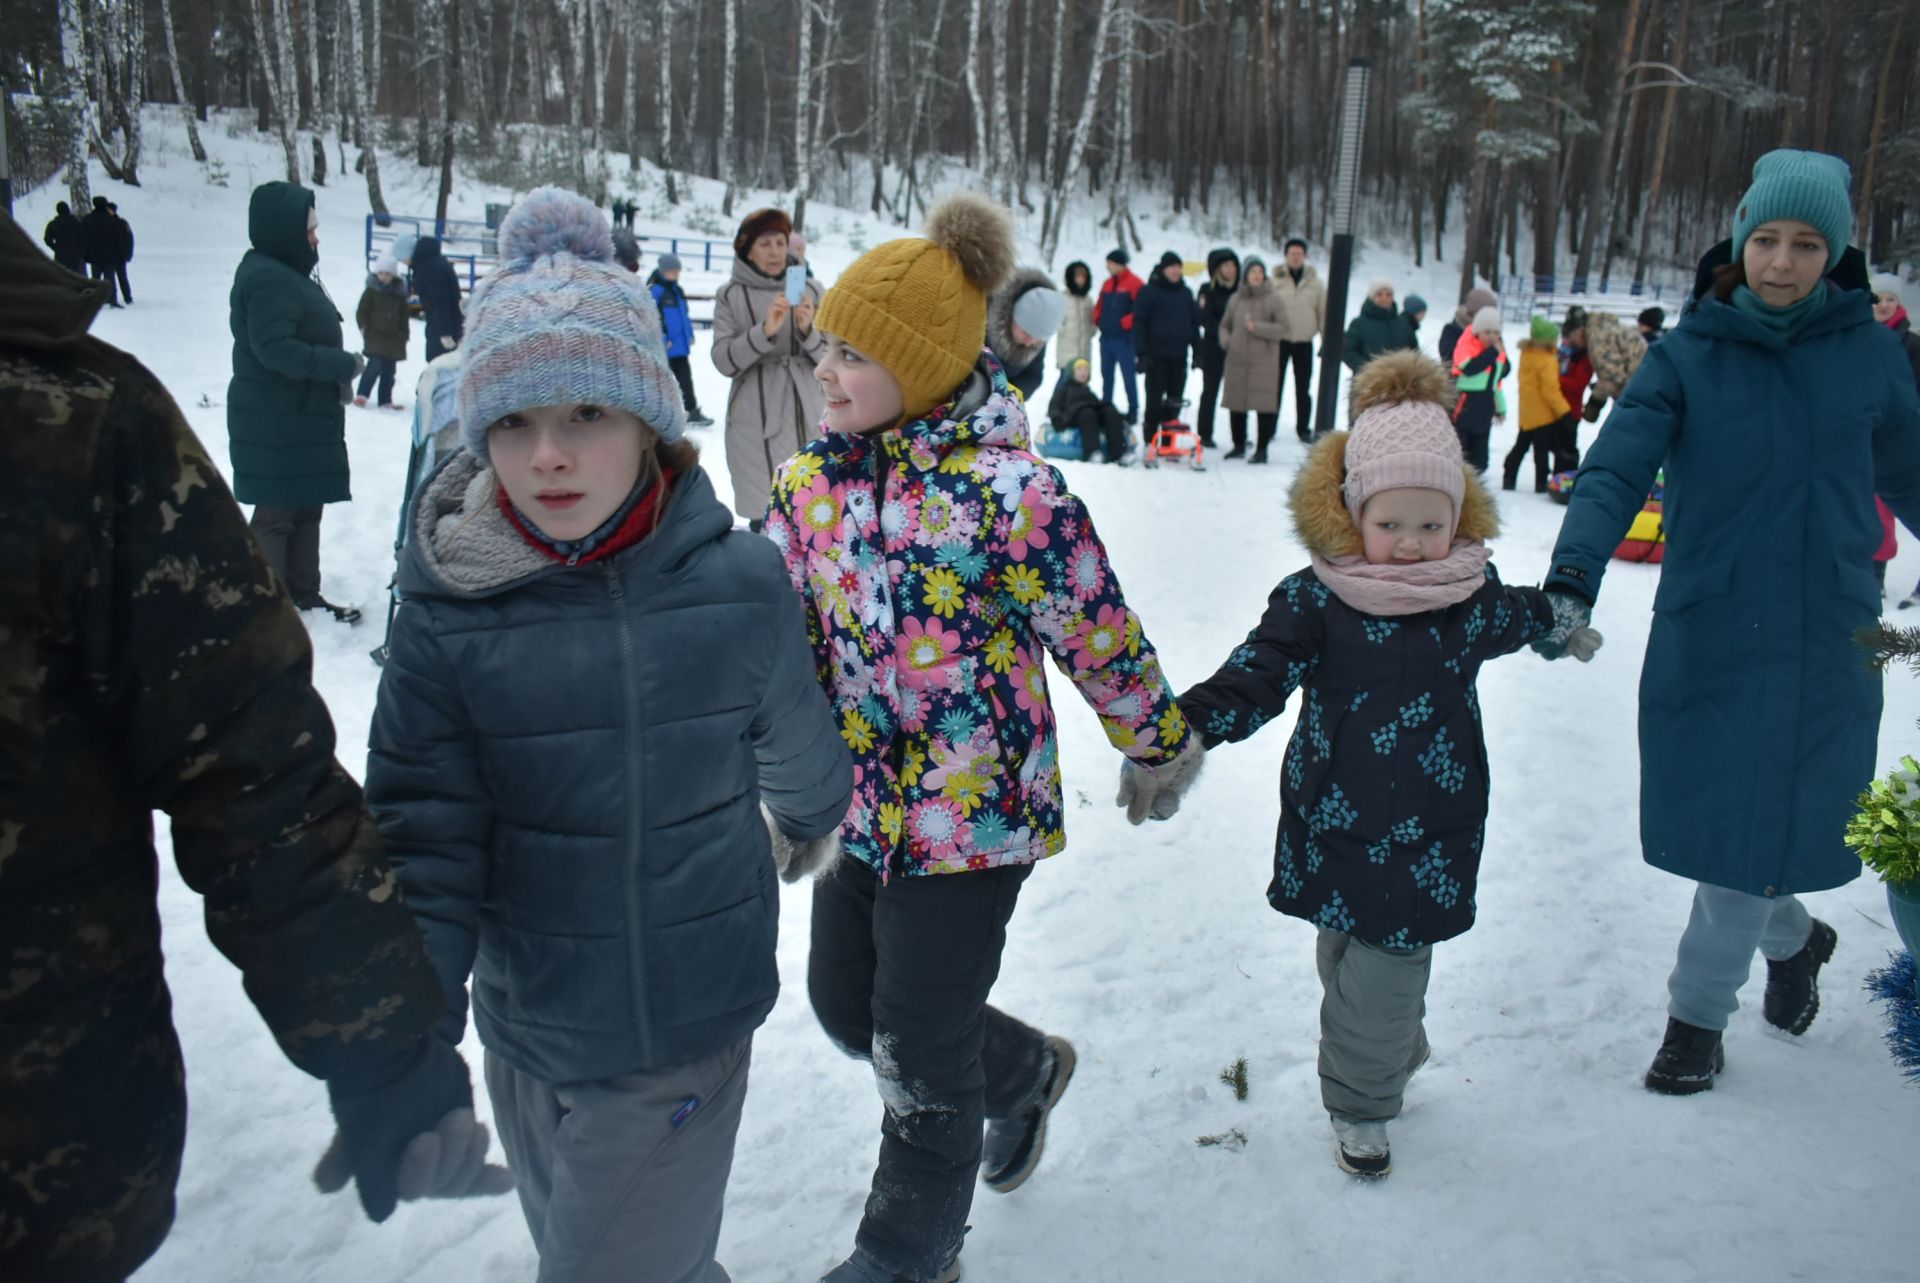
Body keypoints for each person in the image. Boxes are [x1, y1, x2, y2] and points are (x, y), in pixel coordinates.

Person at [0, 209, 508, 1283]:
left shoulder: (66, 421)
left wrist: (385, 1054)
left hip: (32, 1153)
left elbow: (250, 764)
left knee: (291, 525)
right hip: (52, 1142)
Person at [365, 187, 852, 1283]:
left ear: (646, 419)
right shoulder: (451, 611)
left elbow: (798, 743)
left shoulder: (737, 582)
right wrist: (406, 1033)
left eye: (585, 413)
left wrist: (810, 814)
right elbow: (422, 841)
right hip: (526, 1028)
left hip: (683, 1019)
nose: (548, 455)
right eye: (515, 422)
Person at [761, 193, 1201, 1283]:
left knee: (915, 1037)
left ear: (922, 365)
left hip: (974, 819)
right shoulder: (809, 488)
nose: (825, 371)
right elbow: (761, 627)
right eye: (824, 347)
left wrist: (1155, 739)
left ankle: (910, 1252)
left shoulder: (1014, 496)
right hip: (864, 806)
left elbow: (1096, 626)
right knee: (839, 1002)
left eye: (853, 355)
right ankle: (1021, 1072)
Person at [1540, 149, 1920, 1094]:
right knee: (1738, 824)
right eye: (1766, 240)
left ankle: (1694, 1017)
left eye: (1805, 244)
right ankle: (1793, 941)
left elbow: (1912, 470)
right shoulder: (1689, 354)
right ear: (1738, 241)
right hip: (1714, 627)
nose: (1782, 263)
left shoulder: (1869, 355)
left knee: (1770, 821)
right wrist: (1573, 575)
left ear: (1831, 256)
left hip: (1834, 631)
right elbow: (1617, 468)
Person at [1175, 351, 1599, 1179]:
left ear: (1459, 520)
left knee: (1388, 958)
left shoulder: (1469, 597)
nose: (1411, 545)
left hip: (1432, 826)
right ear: (1351, 510)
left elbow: (1521, 616)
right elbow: (1256, 673)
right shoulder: (1315, 598)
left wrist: (1558, 623)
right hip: (1332, 812)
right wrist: (1184, 728)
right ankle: (1392, 1042)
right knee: (1346, 955)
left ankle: (1362, 1105)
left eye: (1431, 524)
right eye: (1391, 522)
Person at [227, 181, 364, 624]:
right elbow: (275, 350)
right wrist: (340, 364)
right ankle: (268, 604)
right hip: (277, 420)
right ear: (283, 230)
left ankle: (304, 595)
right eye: (309, 230)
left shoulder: (282, 272)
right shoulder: (267, 277)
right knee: (278, 512)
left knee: (306, 507)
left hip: (300, 417)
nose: (316, 238)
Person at [711, 207, 826, 525]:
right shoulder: (730, 296)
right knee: (765, 509)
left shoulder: (813, 290)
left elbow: (836, 357)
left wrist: (807, 332)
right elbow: (723, 360)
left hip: (810, 408)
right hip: (755, 416)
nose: (775, 252)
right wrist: (764, 332)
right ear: (746, 250)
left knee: (815, 508)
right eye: (764, 244)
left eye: (780, 242)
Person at [1218, 255, 1289, 462]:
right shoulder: (1235, 299)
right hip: (1237, 359)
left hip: (1263, 362)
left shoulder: (1274, 299)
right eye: (1252, 272)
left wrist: (1258, 328)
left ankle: (1261, 449)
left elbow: (1283, 328)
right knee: (1236, 403)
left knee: (1264, 406)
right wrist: (1227, 341)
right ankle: (1238, 445)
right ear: (1246, 275)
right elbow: (1224, 325)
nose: (1256, 276)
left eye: (1259, 272)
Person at [1133, 250, 1202, 440]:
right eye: (1172, 267)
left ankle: (1168, 441)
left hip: (1179, 357)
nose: (1175, 270)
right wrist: (1141, 353)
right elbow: (1139, 323)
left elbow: (1194, 324)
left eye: (1178, 267)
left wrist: (1198, 351)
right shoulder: (1149, 291)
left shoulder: (1186, 293)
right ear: (1163, 269)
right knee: (1154, 403)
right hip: (1155, 358)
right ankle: (1150, 439)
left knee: (1175, 403)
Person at [1503, 314, 1574, 493]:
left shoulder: (1527, 354)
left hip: (1527, 412)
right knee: (1540, 451)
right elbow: (1550, 391)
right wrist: (1565, 412)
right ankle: (1541, 483)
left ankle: (1509, 474)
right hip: (1543, 415)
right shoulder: (1547, 360)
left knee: (1521, 446)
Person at [649, 251, 715, 426]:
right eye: (673, 270)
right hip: (664, 349)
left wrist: (689, 335)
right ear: (664, 271)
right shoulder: (655, 291)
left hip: (679, 347)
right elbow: (651, 320)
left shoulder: (677, 291)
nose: (676, 274)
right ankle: (657, 416)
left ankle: (691, 411)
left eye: (677, 271)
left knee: (685, 380)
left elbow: (683, 316)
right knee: (661, 384)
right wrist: (662, 340)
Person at [986, 266, 1066, 404]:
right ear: (1012, 315)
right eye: (1026, 332)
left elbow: (1033, 376)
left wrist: (1006, 398)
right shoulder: (984, 316)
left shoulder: (1035, 338)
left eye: (1038, 338)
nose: (1030, 342)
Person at [1274, 238, 1327, 439]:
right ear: (1286, 256)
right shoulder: (1274, 281)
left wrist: (1325, 341)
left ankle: (1303, 428)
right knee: (1274, 387)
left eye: (1299, 254)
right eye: (1292, 253)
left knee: (1303, 388)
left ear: (1304, 256)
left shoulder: (1316, 283)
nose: (1295, 257)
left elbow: (1322, 313)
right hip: (1279, 341)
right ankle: (1269, 426)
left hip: (1304, 342)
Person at [1447, 306, 1509, 473]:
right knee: (1460, 454)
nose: (1492, 337)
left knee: (1480, 460)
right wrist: (1492, 353)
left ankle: (1477, 483)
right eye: (1487, 332)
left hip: (1485, 409)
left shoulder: (1497, 352)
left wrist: (1501, 408)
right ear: (1477, 332)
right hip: (1465, 408)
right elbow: (1469, 368)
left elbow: (1496, 383)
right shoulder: (1467, 344)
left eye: (1496, 333)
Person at [1193, 248, 1240, 449]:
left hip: (1237, 349)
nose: (1230, 270)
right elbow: (1204, 318)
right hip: (1213, 348)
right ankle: (1205, 433)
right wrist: (1224, 332)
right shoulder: (1207, 290)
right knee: (1210, 392)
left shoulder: (1241, 291)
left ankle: (1239, 437)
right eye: (1225, 266)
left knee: (1237, 394)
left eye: (1233, 266)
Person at [1047, 355, 1129, 463]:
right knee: (1088, 412)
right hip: (1076, 416)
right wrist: (1056, 418)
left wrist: (1117, 415)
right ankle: (1092, 452)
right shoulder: (1065, 388)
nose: (1083, 372)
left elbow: (1098, 404)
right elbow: (1054, 406)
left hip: (1091, 414)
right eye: (1079, 368)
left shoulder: (1088, 390)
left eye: (1086, 369)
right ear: (1071, 371)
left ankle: (1119, 453)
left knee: (1109, 411)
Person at [1094, 246, 1143, 423]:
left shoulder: (1135, 283)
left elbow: (1141, 309)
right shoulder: (1107, 283)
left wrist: (1125, 323)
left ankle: (1133, 410)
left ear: (1119, 264)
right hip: (1106, 337)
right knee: (1106, 374)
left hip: (1125, 338)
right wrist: (1097, 318)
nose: (1108, 266)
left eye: (1110, 263)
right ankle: (1106, 405)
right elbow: (1100, 303)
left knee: (1128, 375)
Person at [354, 252, 409, 409]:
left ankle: (385, 400)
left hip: (394, 339)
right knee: (374, 366)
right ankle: (362, 394)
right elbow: (362, 311)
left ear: (394, 275)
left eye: (387, 274)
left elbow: (404, 315)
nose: (384, 277)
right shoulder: (371, 292)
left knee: (389, 372)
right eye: (381, 273)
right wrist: (363, 326)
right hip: (375, 335)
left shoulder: (398, 295)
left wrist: (404, 334)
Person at [1577, 308, 1648, 425]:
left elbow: (1611, 378)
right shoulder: (1609, 329)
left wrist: (1594, 404)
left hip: (1636, 397)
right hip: (1643, 388)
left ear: (1579, 330)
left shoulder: (1597, 339)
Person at [407, 234, 465, 356]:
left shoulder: (430, 269)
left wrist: (445, 332)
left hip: (443, 326)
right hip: (443, 324)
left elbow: (441, 301)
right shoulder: (432, 264)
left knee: (440, 364)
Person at [1343, 279, 1416, 372]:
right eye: (1379, 294)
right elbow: (1348, 351)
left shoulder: (1404, 323)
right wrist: (1367, 369)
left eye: (1388, 295)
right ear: (1372, 297)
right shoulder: (1359, 323)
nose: (1384, 298)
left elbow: (1414, 351)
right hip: (1369, 382)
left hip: (1401, 381)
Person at [1054, 260, 1095, 396]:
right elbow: (1054, 319)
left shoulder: (1088, 299)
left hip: (1084, 348)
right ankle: (1055, 407)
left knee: (1082, 379)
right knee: (1065, 378)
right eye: (1077, 276)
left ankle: (1074, 407)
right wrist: (1062, 329)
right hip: (1067, 348)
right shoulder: (1062, 297)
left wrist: (1092, 330)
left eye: (1083, 277)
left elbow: (1093, 320)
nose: (1080, 280)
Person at [1440, 287, 1497, 366]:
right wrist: (1491, 353)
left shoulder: (1489, 332)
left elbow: (1505, 366)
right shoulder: (1451, 330)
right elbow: (1452, 360)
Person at [83, 195, 123, 307]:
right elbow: (118, 238)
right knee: (110, 279)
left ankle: (94, 300)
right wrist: (120, 253)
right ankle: (112, 299)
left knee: (95, 279)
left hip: (94, 255)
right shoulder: (112, 220)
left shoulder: (88, 219)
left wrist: (85, 253)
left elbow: (84, 238)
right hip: (110, 255)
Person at [42, 199, 85, 273]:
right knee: (79, 279)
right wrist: (80, 250)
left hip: (60, 256)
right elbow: (83, 238)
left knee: (63, 278)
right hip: (76, 256)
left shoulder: (53, 224)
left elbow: (47, 239)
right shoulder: (76, 222)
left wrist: (55, 247)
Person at [109, 201, 135, 305]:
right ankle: (121, 297)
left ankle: (127, 296)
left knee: (122, 277)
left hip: (120, 255)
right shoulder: (120, 222)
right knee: (116, 278)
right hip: (115, 255)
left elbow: (129, 239)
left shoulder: (122, 223)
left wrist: (128, 253)